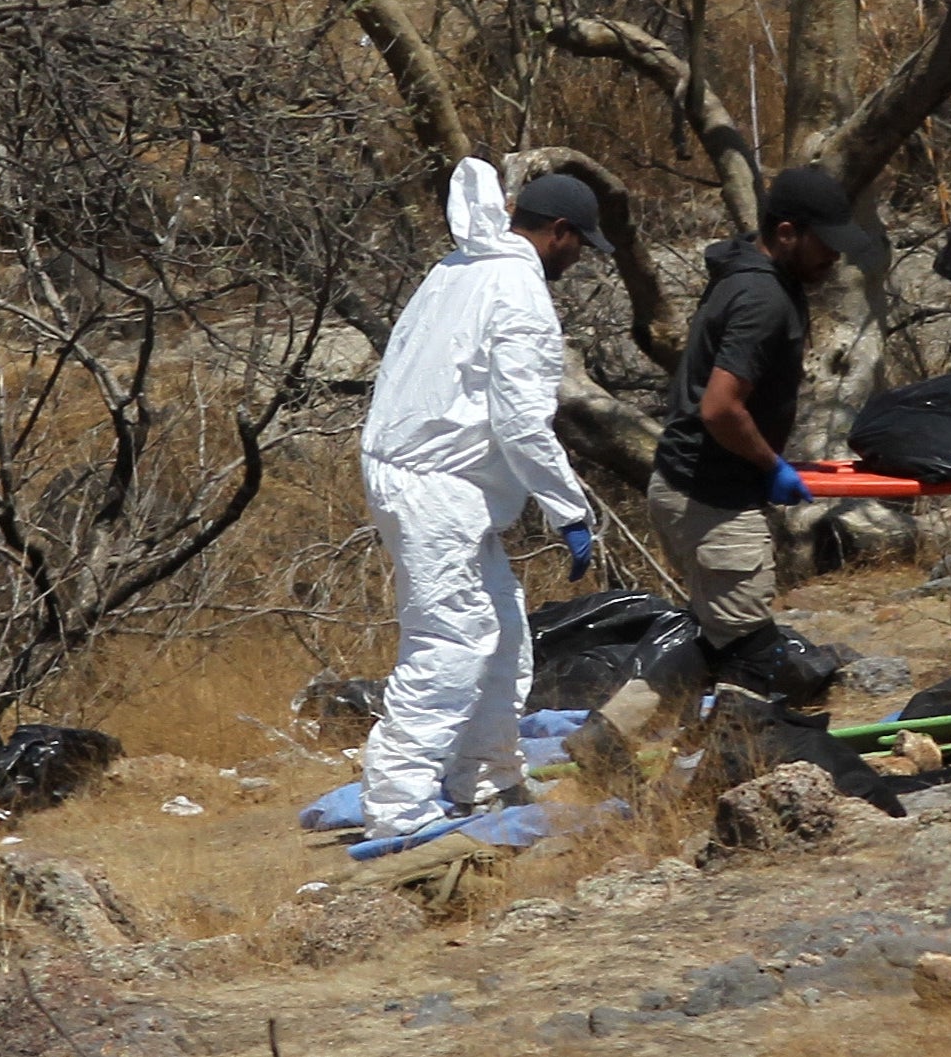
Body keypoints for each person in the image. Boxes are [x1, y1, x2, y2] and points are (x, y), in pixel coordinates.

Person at [357, 160, 609, 839]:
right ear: (558, 232)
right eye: (579, 243)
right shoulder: (518, 293)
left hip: (422, 475)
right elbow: (521, 421)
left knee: (501, 629)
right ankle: (398, 805)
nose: (578, 257)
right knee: (451, 641)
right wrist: (569, 510)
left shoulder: (457, 268)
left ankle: (486, 777)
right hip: (435, 486)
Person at [648, 167, 880, 692]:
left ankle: (606, 745)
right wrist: (771, 466)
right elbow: (720, 408)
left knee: (719, 644)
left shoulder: (750, 277)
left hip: (689, 488)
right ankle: (726, 772)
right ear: (786, 233)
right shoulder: (763, 299)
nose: (835, 257)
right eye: (826, 243)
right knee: (754, 664)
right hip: (713, 500)